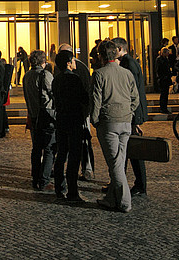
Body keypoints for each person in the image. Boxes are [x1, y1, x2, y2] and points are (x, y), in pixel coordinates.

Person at [91, 40, 139, 213]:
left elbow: (96, 100)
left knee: (115, 164)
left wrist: (94, 119)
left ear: (101, 56)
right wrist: (129, 112)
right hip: (125, 121)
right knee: (118, 161)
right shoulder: (126, 73)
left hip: (109, 121)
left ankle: (125, 201)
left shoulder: (99, 74)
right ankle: (112, 198)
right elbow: (135, 98)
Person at [51, 49, 90, 202]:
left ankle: (59, 187)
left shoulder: (56, 79)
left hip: (61, 119)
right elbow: (84, 98)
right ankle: (72, 191)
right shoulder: (74, 79)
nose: (75, 63)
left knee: (61, 154)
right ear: (68, 63)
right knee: (74, 156)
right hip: (74, 119)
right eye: (73, 60)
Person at [54, 43, 94, 181]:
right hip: (74, 116)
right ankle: (72, 185)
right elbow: (84, 95)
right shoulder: (71, 77)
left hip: (68, 115)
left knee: (71, 148)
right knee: (73, 151)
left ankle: (86, 169)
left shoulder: (79, 69)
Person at [113, 37, 148, 196]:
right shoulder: (128, 62)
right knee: (126, 150)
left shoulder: (128, 64)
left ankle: (140, 184)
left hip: (132, 113)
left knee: (133, 151)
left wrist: (135, 118)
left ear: (120, 49)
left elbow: (133, 92)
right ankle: (120, 181)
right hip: (132, 112)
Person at [23, 50, 56, 191]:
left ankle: (35, 177)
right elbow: (52, 93)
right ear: (43, 61)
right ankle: (44, 180)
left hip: (33, 115)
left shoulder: (27, 76)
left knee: (36, 148)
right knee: (49, 148)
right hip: (46, 115)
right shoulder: (45, 75)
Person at [155, 47, 173, 114]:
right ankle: (163, 108)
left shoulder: (165, 59)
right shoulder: (160, 59)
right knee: (164, 94)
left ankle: (164, 108)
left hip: (165, 78)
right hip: (163, 79)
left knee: (165, 94)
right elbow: (159, 69)